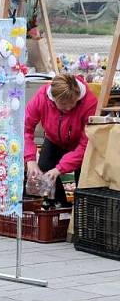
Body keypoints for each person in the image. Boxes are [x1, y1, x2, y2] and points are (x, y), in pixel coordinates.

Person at [24, 73, 97, 207]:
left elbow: (85, 143)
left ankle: (78, 214)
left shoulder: (89, 102)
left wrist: (59, 169)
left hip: (79, 145)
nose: (69, 109)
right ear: (54, 98)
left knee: (84, 184)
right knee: (45, 171)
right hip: (53, 139)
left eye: (72, 104)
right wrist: (30, 159)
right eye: (63, 105)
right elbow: (25, 128)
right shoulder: (41, 98)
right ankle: (59, 209)